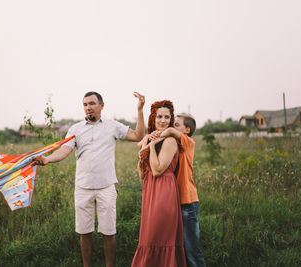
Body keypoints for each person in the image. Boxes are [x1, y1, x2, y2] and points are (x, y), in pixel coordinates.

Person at [33, 91, 145, 267]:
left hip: (106, 187)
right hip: (83, 188)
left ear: (101, 105)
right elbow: (65, 150)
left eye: (92, 103)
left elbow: (138, 136)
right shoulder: (75, 129)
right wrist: (48, 159)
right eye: (85, 104)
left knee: (108, 232)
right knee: (85, 233)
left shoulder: (112, 126)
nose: (88, 108)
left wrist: (139, 110)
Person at [131, 100, 186, 267]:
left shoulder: (169, 141)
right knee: (148, 238)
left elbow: (157, 170)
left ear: (171, 120)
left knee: (159, 237)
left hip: (164, 192)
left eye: (167, 117)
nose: (163, 120)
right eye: (159, 117)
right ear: (153, 119)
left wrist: (152, 146)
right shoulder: (150, 139)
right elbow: (142, 174)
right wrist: (144, 148)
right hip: (150, 191)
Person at [153, 113, 206, 267]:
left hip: (187, 202)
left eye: (176, 124)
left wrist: (157, 134)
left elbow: (169, 131)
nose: (171, 126)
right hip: (175, 202)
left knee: (191, 249)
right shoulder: (173, 145)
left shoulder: (189, 143)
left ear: (186, 130)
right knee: (180, 248)